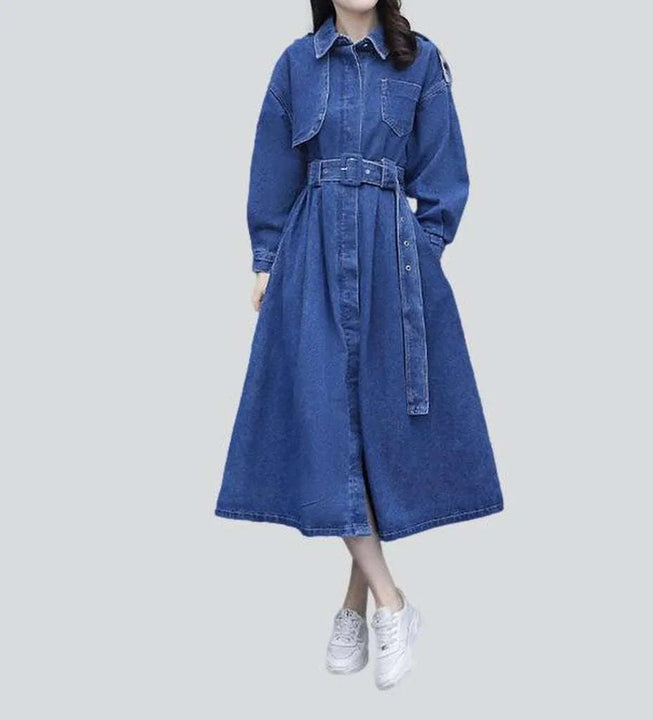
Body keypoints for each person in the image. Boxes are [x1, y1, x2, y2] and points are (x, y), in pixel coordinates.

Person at [214, 0, 504, 690]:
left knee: (375, 426)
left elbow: (444, 174)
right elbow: (272, 168)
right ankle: (390, 602)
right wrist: (266, 260)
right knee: (326, 424)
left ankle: (354, 606)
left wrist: (420, 253)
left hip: (391, 266)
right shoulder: (296, 65)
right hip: (312, 260)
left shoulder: (420, 63)